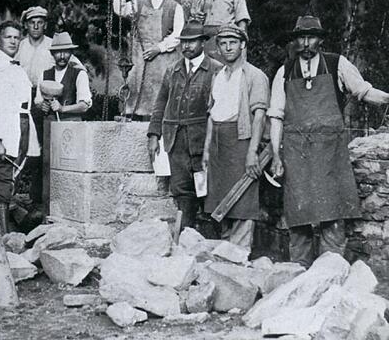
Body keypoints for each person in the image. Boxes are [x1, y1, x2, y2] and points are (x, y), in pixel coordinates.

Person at [268, 16, 389, 267]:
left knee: (332, 215)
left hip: (331, 153)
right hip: (296, 152)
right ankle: (297, 274)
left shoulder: (337, 64)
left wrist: (387, 98)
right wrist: (277, 156)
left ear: (320, 39)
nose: (305, 43)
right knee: (299, 216)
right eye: (301, 37)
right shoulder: (284, 71)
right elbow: (276, 116)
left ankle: (331, 274)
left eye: (311, 37)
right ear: (295, 41)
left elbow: (363, 91)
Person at [147, 21, 223, 231]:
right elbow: (160, 103)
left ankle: (208, 238)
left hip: (203, 141)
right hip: (176, 141)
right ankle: (185, 236)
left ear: (202, 43)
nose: (187, 46)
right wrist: (154, 135)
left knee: (205, 188)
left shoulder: (216, 69)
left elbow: (220, 109)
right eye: (184, 42)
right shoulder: (173, 70)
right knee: (181, 190)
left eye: (192, 42)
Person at [202, 24, 269, 249]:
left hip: (241, 140)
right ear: (218, 47)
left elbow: (259, 116)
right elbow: (212, 113)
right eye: (223, 43)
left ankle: (239, 254)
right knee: (220, 199)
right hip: (219, 143)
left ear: (242, 45)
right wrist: (207, 149)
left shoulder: (254, 76)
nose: (228, 47)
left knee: (242, 199)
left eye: (233, 42)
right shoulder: (218, 75)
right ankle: (224, 254)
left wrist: (252, 152)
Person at [0, 20, 40, 233]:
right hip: (3, 133)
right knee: (3, 180)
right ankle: (2, 237)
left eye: (16, 37)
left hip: (19, 128)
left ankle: (14, 225)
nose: (13, 41)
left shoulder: (16, 67)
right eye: (8, 37)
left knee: (12, 179)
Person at [113, 0, 186, 117]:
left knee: (162, 98)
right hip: (140, 58)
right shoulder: (138, 3)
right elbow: (119, 9)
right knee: (136, 96)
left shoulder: (175, 7)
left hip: (164, 59)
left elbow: (178, 34)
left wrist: (159, 48)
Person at [33, 32, 92, 215]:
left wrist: (62, 109)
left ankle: (71, 214)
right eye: (58, 52)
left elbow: (84, 105)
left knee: (71, 171)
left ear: (70, 53)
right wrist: (43, 106)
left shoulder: (78, 74)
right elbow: (37, 101)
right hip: (50, 127)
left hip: (71, 127)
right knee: (48, 169)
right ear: (53, 54)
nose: (62, 56)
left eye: (65, 52)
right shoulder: (45, 74)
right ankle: (48, 214)